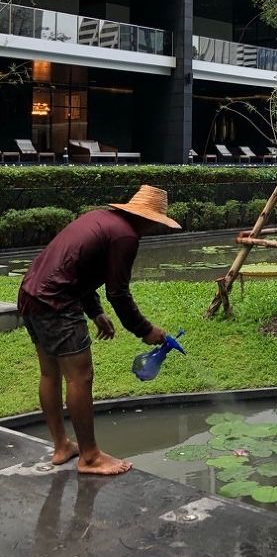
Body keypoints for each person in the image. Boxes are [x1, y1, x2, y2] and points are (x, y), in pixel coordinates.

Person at [17, 185, 181, 476]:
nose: (156, 229)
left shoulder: (100, 219)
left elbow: (79, 269)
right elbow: (118, 293)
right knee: (80, 376)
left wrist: (95, 312)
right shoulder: (126, 236)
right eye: (157, 223)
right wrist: (145, 330)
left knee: (49, 373)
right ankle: (90, 457)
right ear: (150, 219)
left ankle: (61, 446)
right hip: (57, 303)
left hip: (31, 294)